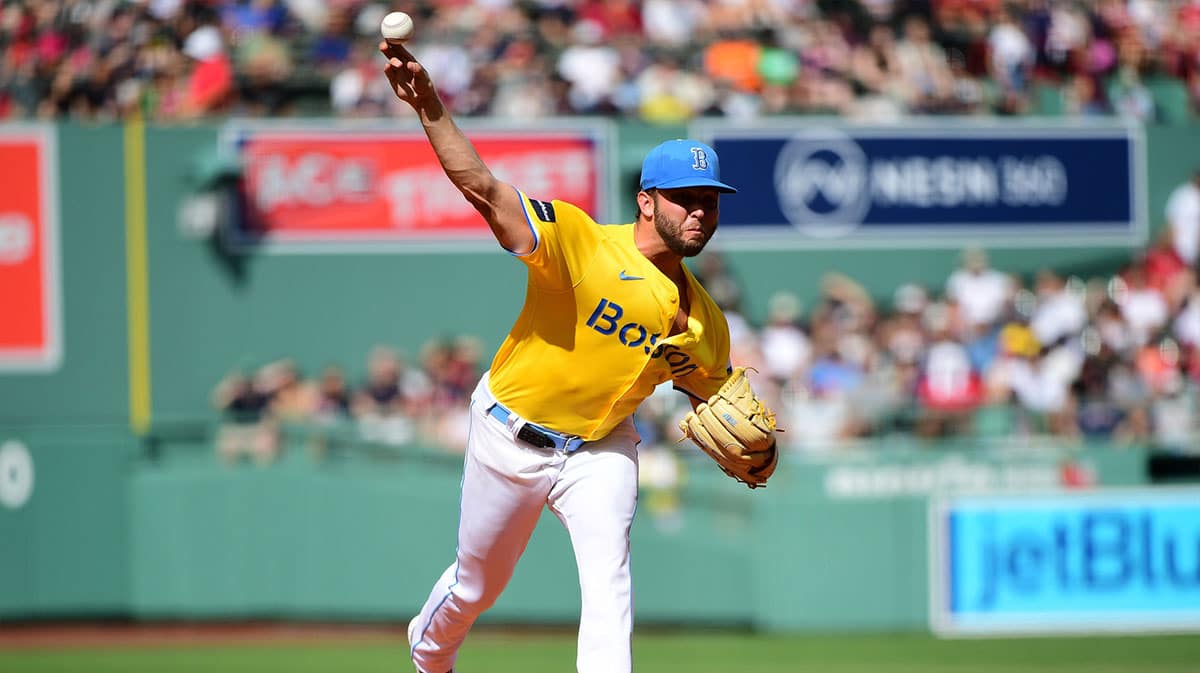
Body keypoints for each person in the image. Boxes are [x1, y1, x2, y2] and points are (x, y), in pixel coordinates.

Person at [381, 39, 741, 673]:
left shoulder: (706, 323)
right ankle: (429, 653)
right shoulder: (578, 242)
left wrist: (740, 431)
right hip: (508, 433)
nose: (700, 210)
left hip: (602, 449)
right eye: (686, 196)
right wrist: (431, 108)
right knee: (477, 586)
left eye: (709, 199)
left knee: (609, 581)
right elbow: (485, 191)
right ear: (647, 200)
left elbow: (715, 396)